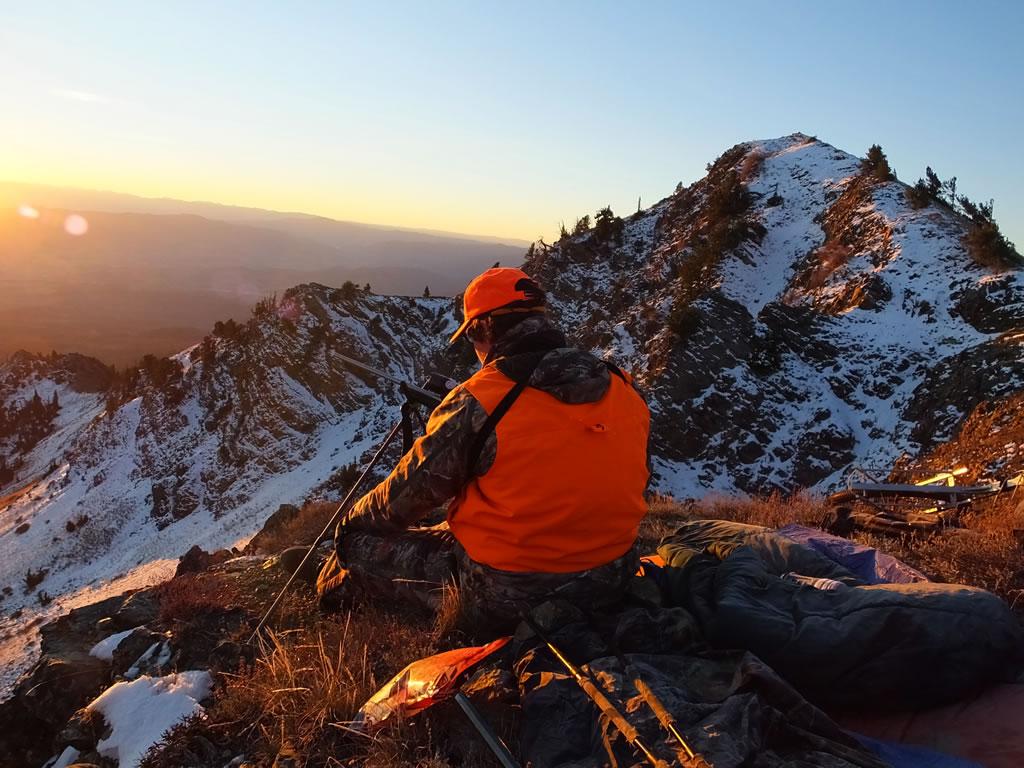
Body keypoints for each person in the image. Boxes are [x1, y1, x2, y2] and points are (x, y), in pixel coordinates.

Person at [309, 267, 651, 632]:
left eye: (472, 335)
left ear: (484, 328)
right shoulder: (623, 387)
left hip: (510, 592)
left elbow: (402, 500)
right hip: (614, 577)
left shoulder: (480, 401)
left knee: (355, 543)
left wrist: (348, 529)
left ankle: (330, 585)